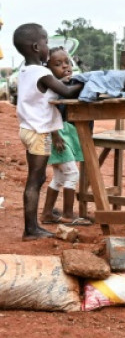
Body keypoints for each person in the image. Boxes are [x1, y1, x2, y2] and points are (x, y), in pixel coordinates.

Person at [12, 23, 83, 241]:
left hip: (27, 129)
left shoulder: (25, 70)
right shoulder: (42, 72)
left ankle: (32, 227)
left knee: (36, 177)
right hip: (38, 132)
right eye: (45, 42)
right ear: (36, 46)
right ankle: (31, 229)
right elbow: (68, 92)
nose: (46, 46)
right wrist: (83, 82)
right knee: (35, 179)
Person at [40, 47, 91, 226]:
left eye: (67, 62)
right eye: (58, 64)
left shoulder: (63, 83)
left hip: (62, 133)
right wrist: (55, 136)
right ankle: (69, 215)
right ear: (48, 68)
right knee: (72, 174)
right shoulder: (51, 85)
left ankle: (47, 214)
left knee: (60, 177)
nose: (65, 66)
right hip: (57, 135)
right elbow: (46, 112)